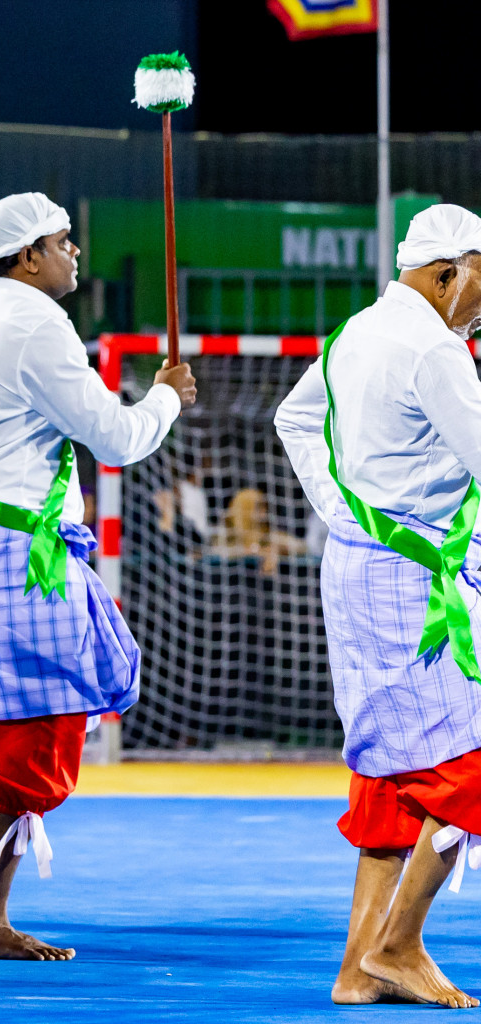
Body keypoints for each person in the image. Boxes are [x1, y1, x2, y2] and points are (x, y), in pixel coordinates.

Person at [0, 191, 195, 961]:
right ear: (29, 257)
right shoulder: (36, 323)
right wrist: (165, 398)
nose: (75, 255)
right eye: (64, 243)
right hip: (21, 549)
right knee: (34, 730)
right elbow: (116, 439)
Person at [275, 203, 481, 1009]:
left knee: (390, 773)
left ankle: (359, 966)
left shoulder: (358, 329)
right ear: (445, 272)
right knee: (466, 773)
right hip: (412, 582)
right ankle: (400, 943)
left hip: (360, 565)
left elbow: (294, 417)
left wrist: (343, 509)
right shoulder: (434, 349)